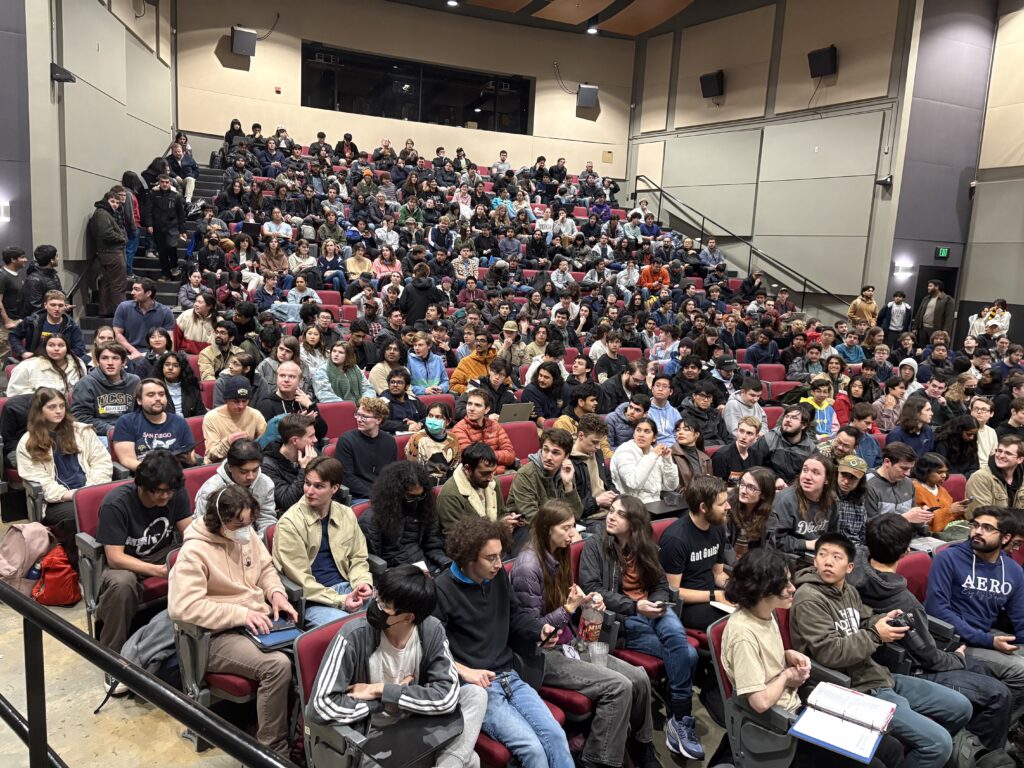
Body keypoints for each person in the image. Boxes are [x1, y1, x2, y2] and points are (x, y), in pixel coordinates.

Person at [791, 533, 972, 768]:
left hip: (877, 675)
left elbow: (864, 619)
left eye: (836, 557)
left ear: (849, 567)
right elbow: (830, 653)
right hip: (853, 689)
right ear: (814, 560)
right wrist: (876, 635)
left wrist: (884, 619)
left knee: (961, 708)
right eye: (822, 555)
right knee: (938, 744)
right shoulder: (809, 598)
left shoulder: (848, 591)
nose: (828, 561)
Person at [720, 548, 905, 768]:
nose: (792, 588)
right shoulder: (743, 634)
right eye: (784, 584)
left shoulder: (765, 613)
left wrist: (786, 656)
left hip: (796, 709)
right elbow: (759, 702)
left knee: (892, 748)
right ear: (762, 591)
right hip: (778, 725)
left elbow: (762, 660)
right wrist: (787, 676)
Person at [510, 499, 661, 768]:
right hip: (543, 655)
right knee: (619, 686)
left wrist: (587, 603)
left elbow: (567, 604)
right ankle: (596, 761)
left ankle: (641, 744)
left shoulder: (559, 552)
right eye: (566, 528)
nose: (573, 533)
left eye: (572, 526)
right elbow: (532, 630)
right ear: (547, 529)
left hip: (570, 642)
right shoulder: (527, 567)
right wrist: (569, 608)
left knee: (639, 678)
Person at [850, 514, 1014, 750]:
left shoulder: (851, 572)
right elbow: (930, 659)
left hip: (889, 657)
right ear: (906, 551)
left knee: (983, 669)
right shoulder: (904, 603)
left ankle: (972, 743)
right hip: (907, 669)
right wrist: (956, 658)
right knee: (998, 694)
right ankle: (973, 754)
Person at [304, 564, 486, 768]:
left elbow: (447, 697)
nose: (376, 605)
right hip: (372, 737)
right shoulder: (353, 636)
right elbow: (319, 707)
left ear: (408, 617)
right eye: (378, 597)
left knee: (476, 695)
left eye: (384, 604)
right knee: (470, 760)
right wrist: (382, 703)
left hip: (417, 724)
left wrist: (382, 690)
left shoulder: (431, 630)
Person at [432, 516, 574, 768]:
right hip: (478, 687)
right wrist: (466, 672)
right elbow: (434, 653)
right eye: (491, 557)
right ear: (468, 557)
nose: (499, 564)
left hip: (510, 676)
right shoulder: (441, 589)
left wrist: (539, 630)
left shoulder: (496, 577)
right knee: (533, 750)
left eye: (500, 555)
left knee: (556, 736)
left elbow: (516, 615)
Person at [168, 484, 298, 756]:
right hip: (215, 636)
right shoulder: (194, 551)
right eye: (239, 525)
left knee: (304, 649)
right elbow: (184, 607)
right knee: (277, 666)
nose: (246, 530)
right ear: (219, 520)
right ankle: (273, 751)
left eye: (249, 523)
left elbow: (265, 568)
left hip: (257, 621)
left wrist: (276, 593)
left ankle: (296, 736)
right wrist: (240, 614)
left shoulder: (246, 534)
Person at [579, 495, 704, 759]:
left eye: (620, 514)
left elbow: (660, 584)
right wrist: (636, 606)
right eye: (611, 511)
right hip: (624, 619)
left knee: (675, 635)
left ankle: (677, 719)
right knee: (689, 654)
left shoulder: (643, 545)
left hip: (651, 610)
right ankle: (680, 719)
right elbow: (592, 589)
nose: (611, 517)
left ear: (634, 523)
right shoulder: (596, 545)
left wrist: (656, 602)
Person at [925, 506, 1024, 719]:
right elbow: (937, 609)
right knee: (1021, 670)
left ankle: (998, 722)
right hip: (954, 640)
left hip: (984, 634)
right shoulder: (949, 558)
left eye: (987, 528)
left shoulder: (1013, 570)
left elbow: (1020, 618)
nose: (978, 531)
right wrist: (988, 641)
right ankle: (986, 729)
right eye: (975, 525)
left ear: (1006, 538)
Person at [95, 450, 189, 653]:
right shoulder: (116, 503)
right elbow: (115, 558)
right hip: (126, 561)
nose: (166, 496)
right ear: (143, 485)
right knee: (122, 585)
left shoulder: (176, 492)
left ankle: (190, 639)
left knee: (200, 555)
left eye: (170, 491)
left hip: (161, 552)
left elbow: (189, 534)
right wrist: (158, 571)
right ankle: (111, 654)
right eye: (160, 491)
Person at [272, 456, 374, 626]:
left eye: (318, 486)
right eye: (307, 483)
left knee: (393, 611)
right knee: (353, 628)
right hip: (316, 600)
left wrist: (362, 582)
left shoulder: (346, 514)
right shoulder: (289, 524)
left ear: (335, 488)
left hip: (349, 586)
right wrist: (340, 600)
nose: (309, 491)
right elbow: (301, 580)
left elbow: (358, 557)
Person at [16, 388, 112, 558]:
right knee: (76, 517)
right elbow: (40, 480)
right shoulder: (28, 442)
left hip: (90, 489)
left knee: (117, 507)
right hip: (57, 500)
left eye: (62, 406)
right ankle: (80, 565)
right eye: (52, 407)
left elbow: (101, 462)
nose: (59, 411)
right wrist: (71, 495)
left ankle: (115, 557)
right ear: (39, 411)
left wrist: (90, 489)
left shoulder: (82, 431)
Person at [659, 475, 734, 632]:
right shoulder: (676, 539)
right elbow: (672, 592)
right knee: (737, 622)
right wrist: (715, 595)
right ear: (703, 507)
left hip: (712, 595)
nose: (728, 506)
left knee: (755, 605)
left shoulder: (717, 527)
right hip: (687, 606)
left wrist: (735, 588)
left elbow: (718, 574)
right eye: (722, 504)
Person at [359, 462, 451, 573]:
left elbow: (433, 546)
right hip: (396, 572)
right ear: (396, 493)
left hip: (424, 565)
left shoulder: (425, 508)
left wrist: (446, 564)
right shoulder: (372, 518)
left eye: (421, 496)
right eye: (411, 497)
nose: (416, 501)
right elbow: (375, 562)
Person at [435, 442, 519, 537]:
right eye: (485, 473)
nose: (491, 478)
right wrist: (497, 528)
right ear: (467, 469)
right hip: (472, 545)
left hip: (498, 539)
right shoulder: (449, 495)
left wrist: (508, 520)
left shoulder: (493, 483)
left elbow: (501, 513)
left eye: (493, 472)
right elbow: (455, 538)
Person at [193, 438, 276, 532]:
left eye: (255, 470)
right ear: (230, 467)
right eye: (243, 472)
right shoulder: (211, 490)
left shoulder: (265, 483)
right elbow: (203, 529)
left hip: (253, 536)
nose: (251, 476)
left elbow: (266, 520)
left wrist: (257, 539)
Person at [112, 379, 196, 470]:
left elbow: (192, 458)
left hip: (177, 474)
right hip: (144, 475)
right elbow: (127, 460)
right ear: (139, 400)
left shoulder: (179, 421)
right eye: (151, 395)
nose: (158, 398)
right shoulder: (126, 422)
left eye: (161, 394)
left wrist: (189, 460)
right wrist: (154, 471)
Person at [507, 427, 583, 524]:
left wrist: (568, 485)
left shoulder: (566, 471)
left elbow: (576, 514)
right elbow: (531, 517)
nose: (548, 457)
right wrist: (561, 527)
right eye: (546, 450)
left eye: (555, 453)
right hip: (527, 527)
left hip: (558, 525)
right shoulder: (525, 474)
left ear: (566, 456)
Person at [766, 453, 839, 554]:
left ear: (827, 479)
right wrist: (807, 544)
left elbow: (833, 535)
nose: (807, 477)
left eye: (815, 472)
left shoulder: (832, 500)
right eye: (805, 470)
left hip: (820, 554)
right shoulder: (785, 500)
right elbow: (775, 541)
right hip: (789, 556)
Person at [71, 342, 141, 445]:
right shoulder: (85, 383)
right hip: (99, 434)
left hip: (130, 431)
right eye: (104, 358)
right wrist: (111, 430)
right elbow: (80, 417)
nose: (110, 363)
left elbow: (140, 411)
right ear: (98, 361)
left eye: (115, 358)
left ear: (124, 362)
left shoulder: (134, 381)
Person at [334, 397, 398, 503]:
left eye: (364, 416)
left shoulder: (390, 441)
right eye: (358, 415)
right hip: (359, 496)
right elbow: (347, 478)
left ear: (378, 420)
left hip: (383, 494)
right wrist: (376, 495)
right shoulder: (346, 440)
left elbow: (392, 474)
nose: (359, 419)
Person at [863, 442, 934, 534]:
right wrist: (904, 518)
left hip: (908, 536)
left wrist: (922, 516)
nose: (908, 473)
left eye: (910, 468)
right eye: (904, 468)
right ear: (887, 462)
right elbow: (870, 526)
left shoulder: (908, 483)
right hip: (881, 539)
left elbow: (913, 520)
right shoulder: (868, 485)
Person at [610, 417, 680, 504]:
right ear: (634, 434)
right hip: (632, 505)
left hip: (656, 504)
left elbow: (670, 486)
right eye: (638, 430)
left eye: (647, 431)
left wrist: (667, 461)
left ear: (654, 438)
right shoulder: (624, 451)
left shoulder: (655, 453)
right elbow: (633, 483)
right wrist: (652, 456)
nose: (641, 435)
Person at [201, 375, 267, 463]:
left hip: (248, 462)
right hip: (221, 464)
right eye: (236, 401)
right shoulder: (211, 418)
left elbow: (266, 444)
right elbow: (211, 455)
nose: (241, 406)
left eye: (245, 401)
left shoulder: (255, 415)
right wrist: (228, 442)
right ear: (226, 400)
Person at [9, 288, 87, 362]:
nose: (57, 309)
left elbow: (79, 349)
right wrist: (23, 352)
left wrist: (61, 356)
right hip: (34, 361)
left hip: (60, 362)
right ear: (45, 305)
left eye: (60, 305)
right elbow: (13, 336)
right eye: (53, 305)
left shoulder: (71, 326)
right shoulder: (31, 321)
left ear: (65, 306)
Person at [450, 389, 516, 474]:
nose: (471, 409)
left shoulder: (495, 425)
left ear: (487, 409)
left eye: (477, 405)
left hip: (498, 473)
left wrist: (486, 457)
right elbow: (472, 460)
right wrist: (499, 467)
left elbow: (510, 455)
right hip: (476, 477)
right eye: (469, 404)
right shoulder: (459, 429)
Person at [750, 404, 817, 485]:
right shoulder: (769, 439)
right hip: (769, 485)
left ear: (803, 425)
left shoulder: (811, 448)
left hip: (796, 488)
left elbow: (813, 475)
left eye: (794, 418)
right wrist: (775, 479)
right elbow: (753, 465)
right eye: (787, 416)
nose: (788, 420)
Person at [6, 334, 88, 397]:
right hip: (36, 410)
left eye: (61, 345)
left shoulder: (78, 363)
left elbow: (84, 390)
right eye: (51, 345)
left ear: (67, 348)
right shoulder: (27, 366)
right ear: (45, 347)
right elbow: (14, 393)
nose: (56, 349)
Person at [113, 279, 176, 359]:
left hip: (155, 354)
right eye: (133, 289)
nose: (132, 292)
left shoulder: (165, 312)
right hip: (128, 352)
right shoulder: (124, 307)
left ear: (148, 293)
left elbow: (169, 338)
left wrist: (168, 358)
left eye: (136, 290)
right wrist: (134, 351)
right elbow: (117, 334)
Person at [964, 434, 1024, 515]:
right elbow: (982, 516)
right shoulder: (980, 478)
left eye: (1008, 453)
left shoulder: (1022, 478)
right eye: (999, 451)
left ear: (1020, 459)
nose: (1001, 456)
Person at [727, 466, 775, 557]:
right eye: (742, 483)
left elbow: (767, 551)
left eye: (751, 488)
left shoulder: (770, 517)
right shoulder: (727, 508)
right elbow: (724, 547)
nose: (743, 491)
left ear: (764, 494)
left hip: (752, 562)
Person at [712, 415, 763, 484]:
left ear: (756, 437)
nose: (743, 437)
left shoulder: (757, 455)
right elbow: (717, 487)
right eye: (741, 431)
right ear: (737, 431)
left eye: (749, 433)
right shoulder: (721, 456)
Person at [670, 416, 712, 492]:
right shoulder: (670, 454)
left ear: (696, 434)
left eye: (686, 429)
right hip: (682, 496)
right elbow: (671, 485)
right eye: (678, 430)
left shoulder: (706, 459)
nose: (680, 432)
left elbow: (710, 484)